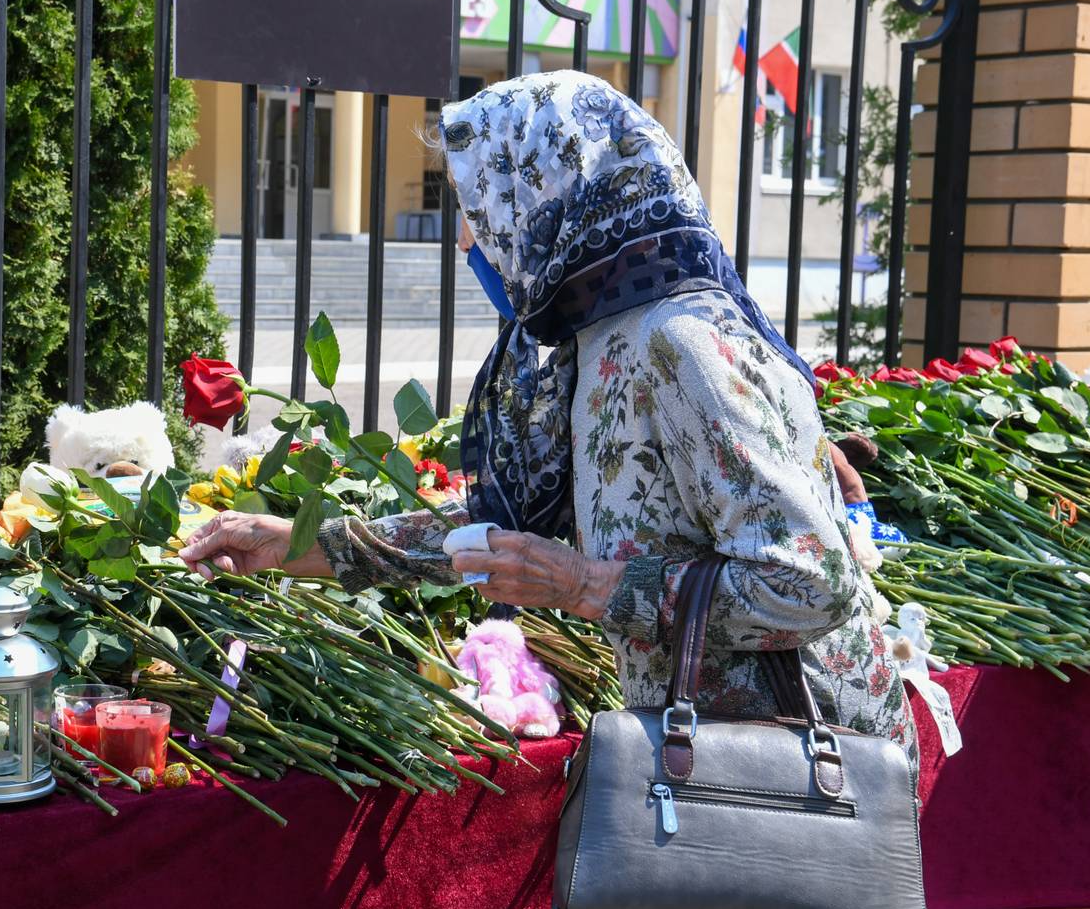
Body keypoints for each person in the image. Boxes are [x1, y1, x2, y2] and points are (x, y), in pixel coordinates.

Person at [180, 70, 915, 757]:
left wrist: (587, 586)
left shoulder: (681, 343)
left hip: (804, 765)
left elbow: (812, 585)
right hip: (716, 762)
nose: (467, 237)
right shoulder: (594, 341)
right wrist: (302, 544)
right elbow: (511, 545)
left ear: (556, 196)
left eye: (478, 205)